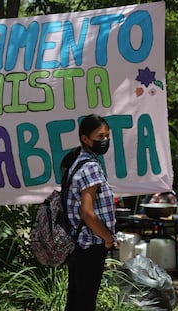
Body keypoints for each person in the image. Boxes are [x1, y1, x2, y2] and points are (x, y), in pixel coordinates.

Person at [61, 114, 117, 311]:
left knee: (76, 301)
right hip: (90, 245)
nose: (105, 140)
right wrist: (108, 238)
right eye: (99, 136)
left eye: (107, 135)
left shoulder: (76, 162)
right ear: (85, 139)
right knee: (85, 303)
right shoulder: (90, 167)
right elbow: (87, 213)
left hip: (77, 243)